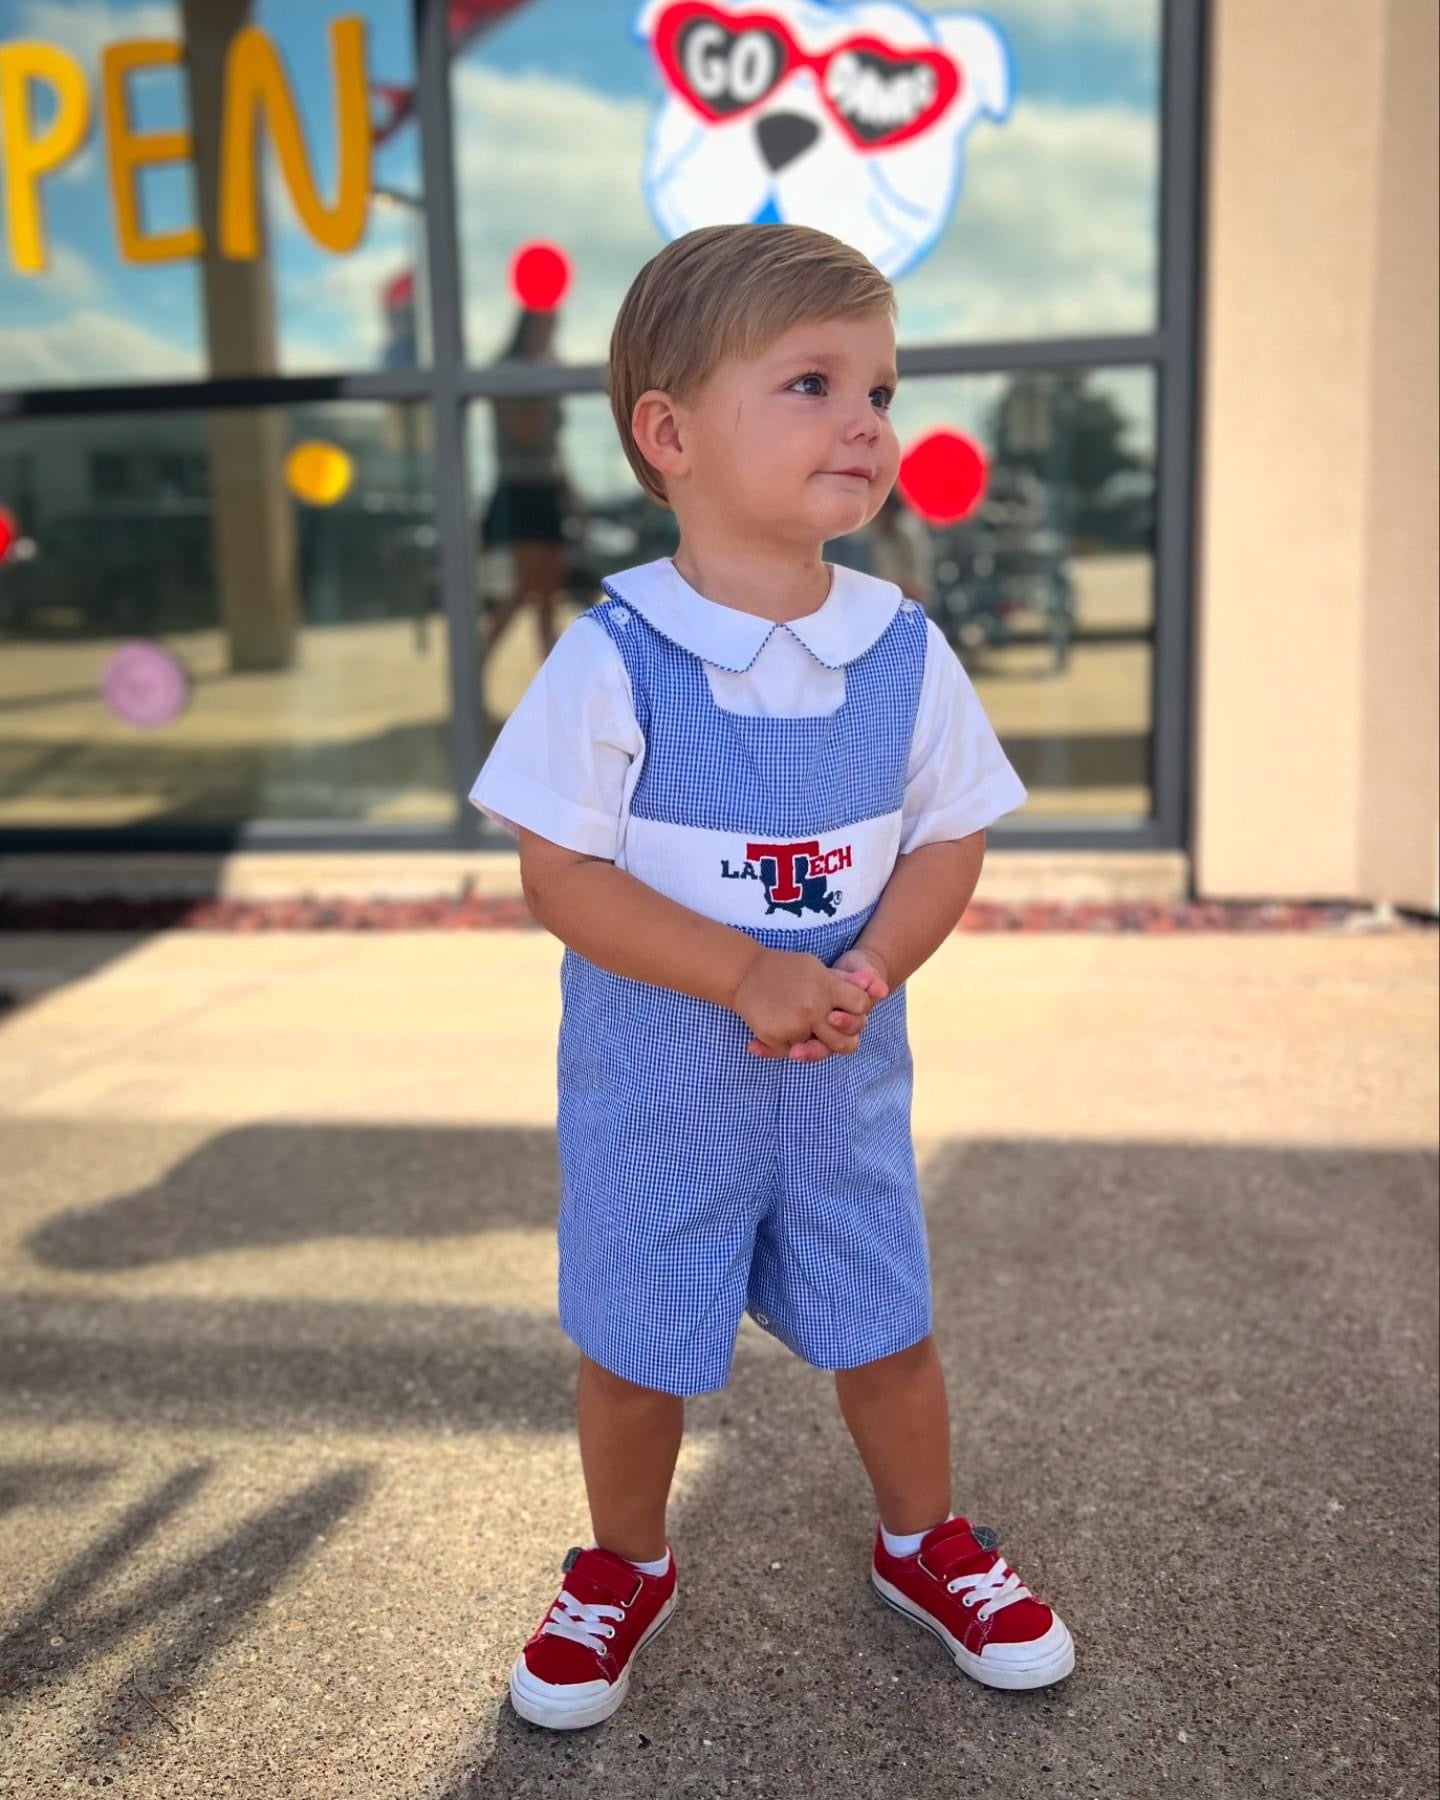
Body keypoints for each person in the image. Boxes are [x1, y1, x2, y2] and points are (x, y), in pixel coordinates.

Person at [468, 223, 1074, 1732]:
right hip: (661, 1089)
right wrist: (742, 971)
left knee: (887, 1317)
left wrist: (866, 962)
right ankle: (623, 1562)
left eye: (881, 385)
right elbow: (564, 876)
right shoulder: (614, 656)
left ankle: (921, 1537)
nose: (868, 420)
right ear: (668, 436)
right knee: (632, 1333)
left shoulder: (907, 651)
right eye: (813, 382)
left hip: (842, 1080)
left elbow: (947, 844)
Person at [479, 305, 583, 665]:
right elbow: (528, 431)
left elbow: (554, 450)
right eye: (547, 326)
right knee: (523, 591)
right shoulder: (509, 373)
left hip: (545, 489)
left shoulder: (541, 371)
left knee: (548, 597)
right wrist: (547, 383)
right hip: (518, 490)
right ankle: (473, 675)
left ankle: (556, 692)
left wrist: (573, 500)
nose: (551, 334)